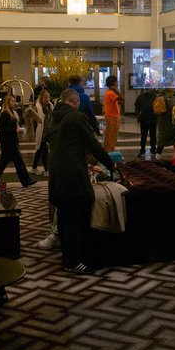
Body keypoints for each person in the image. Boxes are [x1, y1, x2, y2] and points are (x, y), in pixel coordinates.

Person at [47, 88, 116, 274]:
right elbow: (93, 144)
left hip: (56, 173)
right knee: (75, 217)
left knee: (63, 215)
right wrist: (111, 164)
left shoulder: (54, 119)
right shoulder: (77, 118)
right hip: (72, 175)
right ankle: (75, 261)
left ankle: (67, 257)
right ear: (75, 102)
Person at [0, 95, 36, 188]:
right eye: (12, 101)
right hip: (7, 142)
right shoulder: (5, 114)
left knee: (4, 162)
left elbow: (18, 123)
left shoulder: (14, 112)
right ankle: (26, 181)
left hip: (12, 140)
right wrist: (16, 130)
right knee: (18, 162)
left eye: (14, 101)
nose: (14, 102)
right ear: (8, 103)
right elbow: (4, 129)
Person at [31, 89, 54, 175]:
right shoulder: (37, 107)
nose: (47, 99)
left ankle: (34, 168)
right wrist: (34, 133)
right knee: (44, 151)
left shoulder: (50, 106)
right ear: (41, 98)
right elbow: (34, 121)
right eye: (45, 97)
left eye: (48, 97)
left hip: (49, 131)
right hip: (41, 132)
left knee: (39, 150)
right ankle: (46, 170)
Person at [133, 88, 158, 157]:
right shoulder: (153, 96)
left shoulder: (142, 96)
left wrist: (138, 115)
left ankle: (148, 149)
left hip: (149, 118)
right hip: (148, 118)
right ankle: (148, 149)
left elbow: (136, 106)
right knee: (148, 135)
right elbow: (137, 106)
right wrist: (138, 116)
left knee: (147, 135)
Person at [155, 90, 175, 157]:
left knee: (161, 140)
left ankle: (157, 156)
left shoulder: (161, 97)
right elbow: (173, 108)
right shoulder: (171, 97)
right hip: (169, 121)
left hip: (162, 121)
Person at [102, 75, 123, 152]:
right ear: (114, 83)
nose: (117, 83)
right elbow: (123, 98)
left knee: (109, 136)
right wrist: (116, 90)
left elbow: (118, 101)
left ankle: (106, 151)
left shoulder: (107, 92)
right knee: (112, 136)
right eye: (116, 82)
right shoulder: (111, 93)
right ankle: (110, 152)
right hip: (113, 117)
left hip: (109, 116)